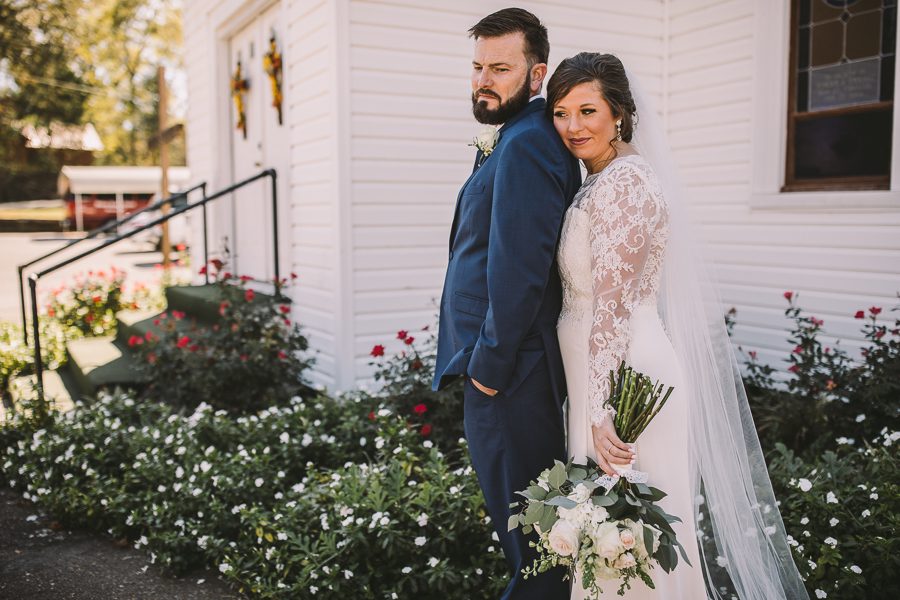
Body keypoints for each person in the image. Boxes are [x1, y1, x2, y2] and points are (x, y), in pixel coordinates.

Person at [547, 52, 809, 600]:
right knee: (611, 548)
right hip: (597, 378)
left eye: (588, 111)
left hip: (626, 383)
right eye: (561, 113)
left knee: (630, 549)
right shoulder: (598, 179)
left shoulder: (626, 184)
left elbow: (613, 306)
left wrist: (600, 411)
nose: (573, 126)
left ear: (619, 113)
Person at [432, 8, 581, 599]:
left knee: (536, 546)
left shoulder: (527, 145)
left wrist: (488, 370)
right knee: (532, 532)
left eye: (500, 68)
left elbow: (521, 272)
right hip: (506, 367)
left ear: (537, 74)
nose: (483, 80)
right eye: (477, 67)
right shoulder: (517, 135)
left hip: (509, 373)